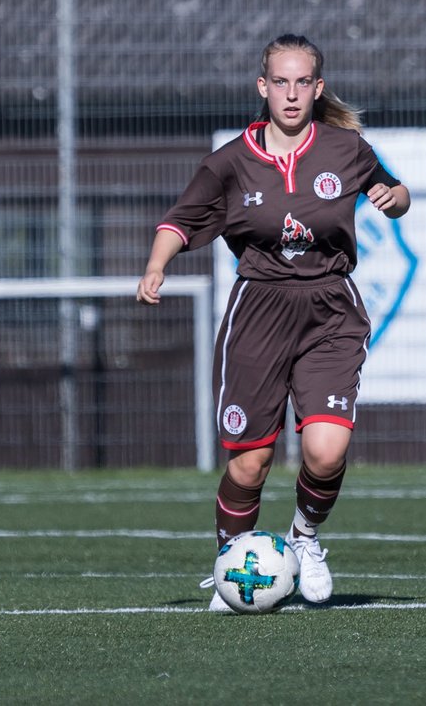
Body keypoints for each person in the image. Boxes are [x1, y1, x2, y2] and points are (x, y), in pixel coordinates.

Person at [136, 34, 410, 611]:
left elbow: (396, 188)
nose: (290, 94)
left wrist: (392, 195)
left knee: (327, 451)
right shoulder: (230, 162)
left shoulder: (345, 149)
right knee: (250, 461)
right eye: (279, 82)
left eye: (301, 82)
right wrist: (156, 267)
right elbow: (179, 222)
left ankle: (304, 540)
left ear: (317, 88)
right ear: (263, 87)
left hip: (329, 308)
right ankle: (231, 563)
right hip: (258, 311)